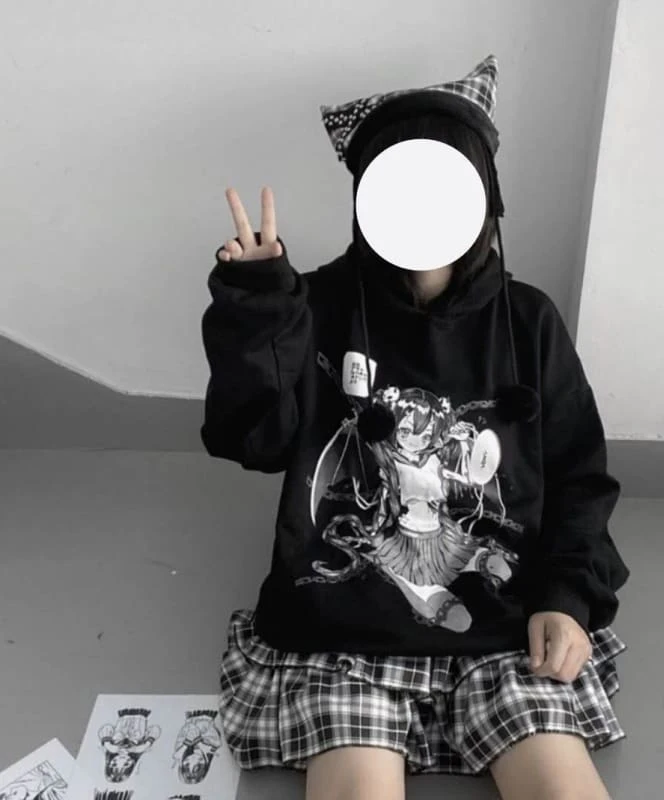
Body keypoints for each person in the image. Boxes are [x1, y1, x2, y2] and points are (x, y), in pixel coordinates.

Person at [200, 55, 630, 800]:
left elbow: (579, 475)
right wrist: (259, 315)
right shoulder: (316, 306)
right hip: (344, 634)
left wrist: (567, 596)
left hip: (505, 626)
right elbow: (255, 439)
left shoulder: (529, 321)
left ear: (484, 196)